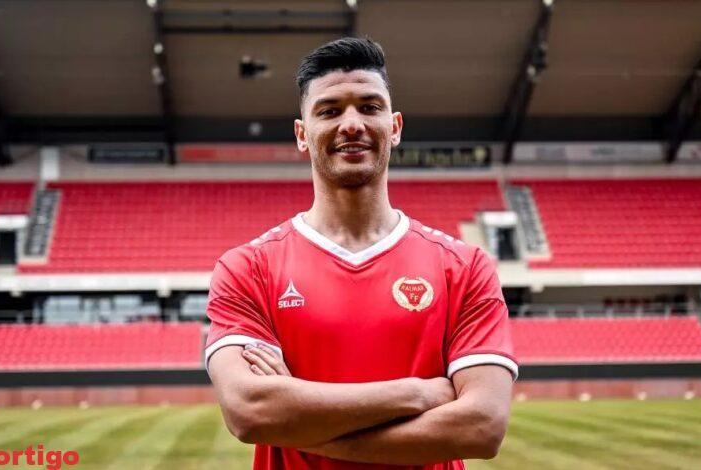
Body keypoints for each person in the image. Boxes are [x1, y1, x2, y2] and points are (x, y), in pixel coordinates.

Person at [205, 37, 517, 470]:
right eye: (329, 111)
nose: (352, 124)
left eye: (370, 107)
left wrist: (298, 422)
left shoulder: (464, 266)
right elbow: (250, 413)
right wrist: (417, 393)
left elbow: (481, 427)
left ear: (395, 127)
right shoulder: (247, 268)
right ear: (302, 134)